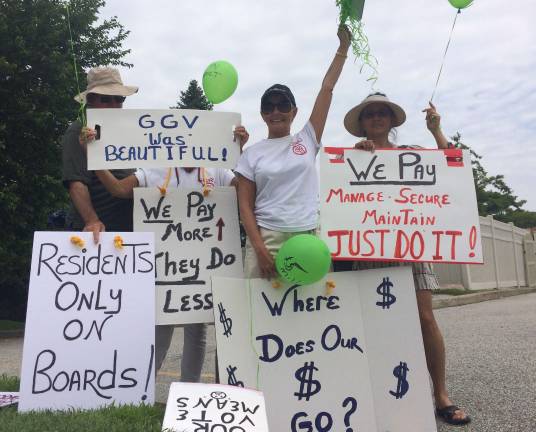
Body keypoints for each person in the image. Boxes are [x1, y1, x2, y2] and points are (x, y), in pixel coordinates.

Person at [339, 92, 471, 426]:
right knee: (375, 327)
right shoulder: (352, 157)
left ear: (392, 120)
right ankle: (384, 394)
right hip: (368, 249)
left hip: (411, 248)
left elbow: (453, 164)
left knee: (425, 319)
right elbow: (340, 198)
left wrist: (436, 132)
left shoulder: (410, 154)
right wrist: (355, 159)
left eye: (382, 112)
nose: (377, 117)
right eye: (370, 114)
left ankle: (440, 394)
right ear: (362, 123)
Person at [88, 128, 249, 383]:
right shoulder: (155, 170)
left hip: (203, 271)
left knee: (197, 332)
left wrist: (238, 154)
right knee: (160, 329)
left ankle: (189, 391)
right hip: (164, 270)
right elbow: (118, 189)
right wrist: (93, 156)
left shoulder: (216, 171)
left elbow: (245, 191)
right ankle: (140, 389)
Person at [236, 25, 351, 279]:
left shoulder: (308, 138)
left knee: (311, 312)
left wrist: (342, 49)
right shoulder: (251, 154)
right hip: (266, 239)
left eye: (283, 105)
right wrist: (260, 250)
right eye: (268, 106)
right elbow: (244, 205)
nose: (276, 111)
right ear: (263, 114)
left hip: (308, 236)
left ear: (294, 112)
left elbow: (327, 89)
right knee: (263, 313)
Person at [62, 66, 138, 243]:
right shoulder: (79, 130)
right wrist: (92, 220)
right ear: (90, 99)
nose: (114, 105)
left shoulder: (122, 130)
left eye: (119, 99)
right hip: (97, 232)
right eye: (106, 99)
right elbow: (76, 182)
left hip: (125, 229)